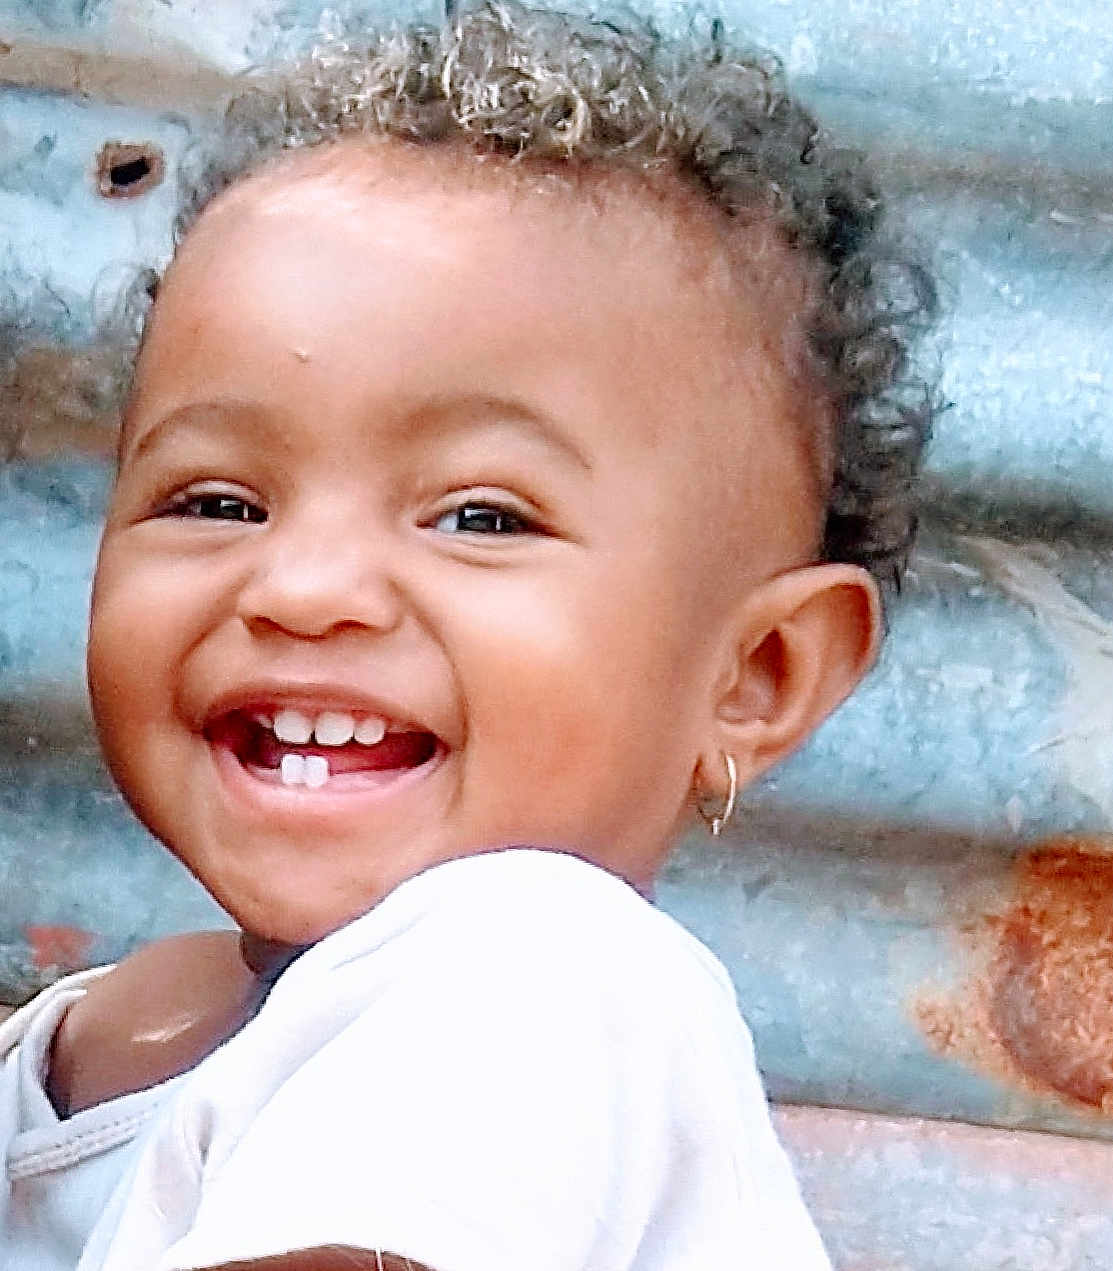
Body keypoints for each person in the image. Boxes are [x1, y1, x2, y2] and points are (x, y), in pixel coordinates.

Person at [0, 3, 933, 1267]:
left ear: (754, 672)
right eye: (218, 500)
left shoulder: (537, 980)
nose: (304, 584)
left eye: (481, 516)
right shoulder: (126, 1024)